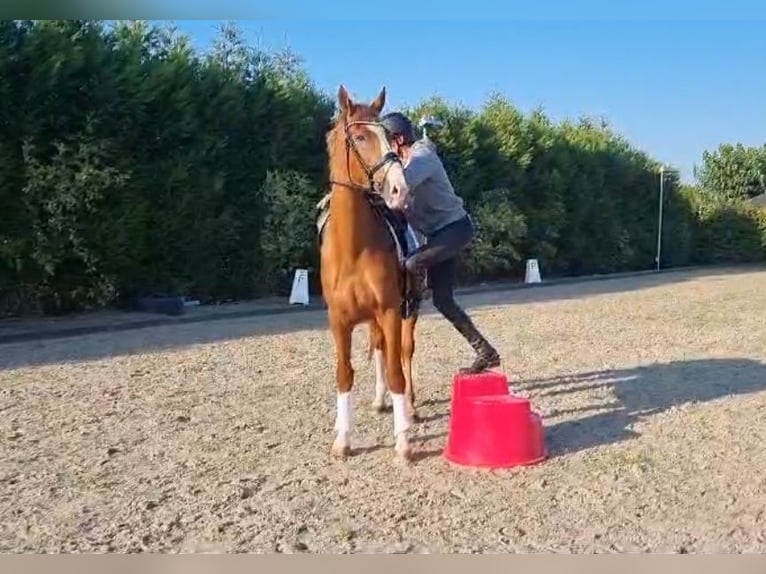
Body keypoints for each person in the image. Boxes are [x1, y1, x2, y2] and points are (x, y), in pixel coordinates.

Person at [380, 111, 501, 374]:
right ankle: (486, 351)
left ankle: (407, 307)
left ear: (398, 140)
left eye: (386, 142)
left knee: (411, 263)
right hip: (440, 236)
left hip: (455, 230)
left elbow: (398, 189)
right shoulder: (408, 163)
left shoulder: (421, 158)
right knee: (443, 301)